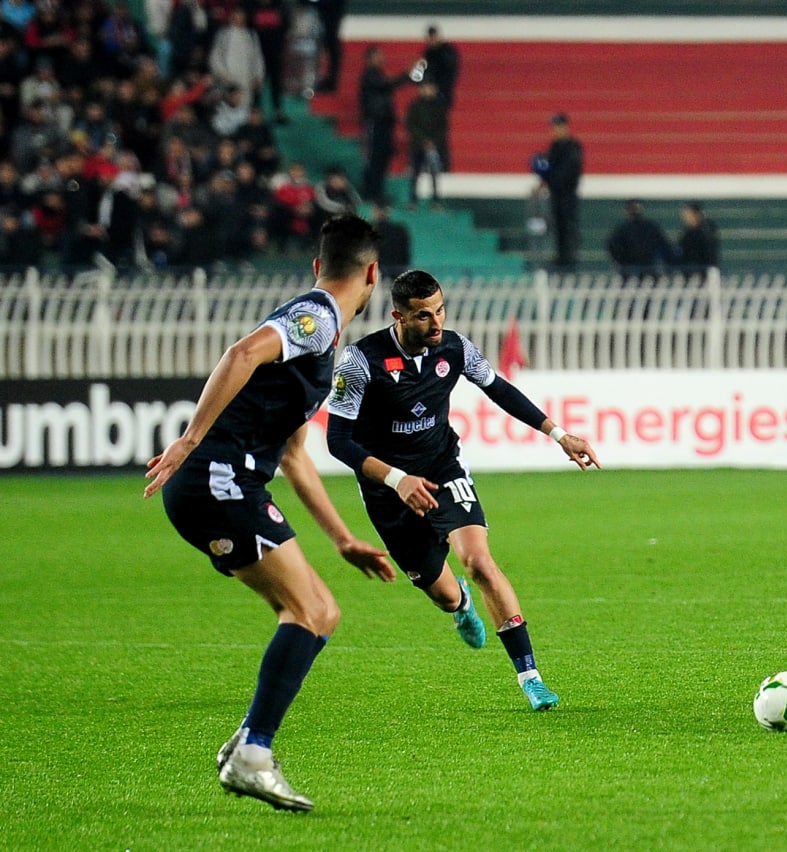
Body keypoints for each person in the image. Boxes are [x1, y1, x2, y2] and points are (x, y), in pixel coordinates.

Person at [143, 214, 396, 812]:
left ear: (317, 264)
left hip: (233, 483)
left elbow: (293, 454)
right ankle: (253, 755)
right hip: (217, 480)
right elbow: (244, 351)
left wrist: (342, 539)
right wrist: (189, 438)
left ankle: (248, 748)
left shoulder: (322, 337)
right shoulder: (317, 317)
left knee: (322, 613)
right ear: (373, 273)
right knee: (306, 610)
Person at [325, 269, 601, 711]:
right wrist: (397, 479)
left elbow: (499, 389)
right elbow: (338, 441)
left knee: (479, 562)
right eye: (422, 317)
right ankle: (459, 607)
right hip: (389, 491)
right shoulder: (360, 362)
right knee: (444, 592)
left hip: (443, 467)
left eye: (440, 311)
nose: (436, 324)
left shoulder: (454, 347)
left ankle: (530, 677)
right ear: (397, 316)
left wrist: (559, 434)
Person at [358, 45, 423, 206]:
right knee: (375, 158)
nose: (382, 59)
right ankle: (371, 193)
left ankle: (377, 193)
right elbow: (387, 85)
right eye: (378, 56)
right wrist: (406, 75)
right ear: (369, 59)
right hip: (375, 122)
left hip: (384, 122)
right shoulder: (369, 76)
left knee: (382, 158)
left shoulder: (377, 75)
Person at [532, 112, 583, 271]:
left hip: (567, 193)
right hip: (556, 194)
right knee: (558, 225)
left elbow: (569, 171)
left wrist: (552, 178)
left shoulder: (573, 147)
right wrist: (543, 181)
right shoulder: (554, 146)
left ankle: (570, 257)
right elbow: (550, 166)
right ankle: (561, 256)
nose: (555, 130)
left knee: (568, 225)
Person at [605, 198, 673, 278]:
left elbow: (612, 247)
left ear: (626, 211)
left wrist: (621, 262)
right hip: (647, 272)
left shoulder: (622, 229)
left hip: (629, 274)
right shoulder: (651, 227)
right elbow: (665, 249)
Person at [421, 24, 459, 111]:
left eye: (433, 37)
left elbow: (450, 66)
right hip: (432, 89)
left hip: (444, 87)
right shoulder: (428, 52)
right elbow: (426, 70)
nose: (432, 40)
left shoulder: (447, 50)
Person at [675, 201, 720, 275]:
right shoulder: (687, 233)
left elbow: (709, 255)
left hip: (703, 273)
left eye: (688, 214)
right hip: (692, 273)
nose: (686, 217)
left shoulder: (706, 230)